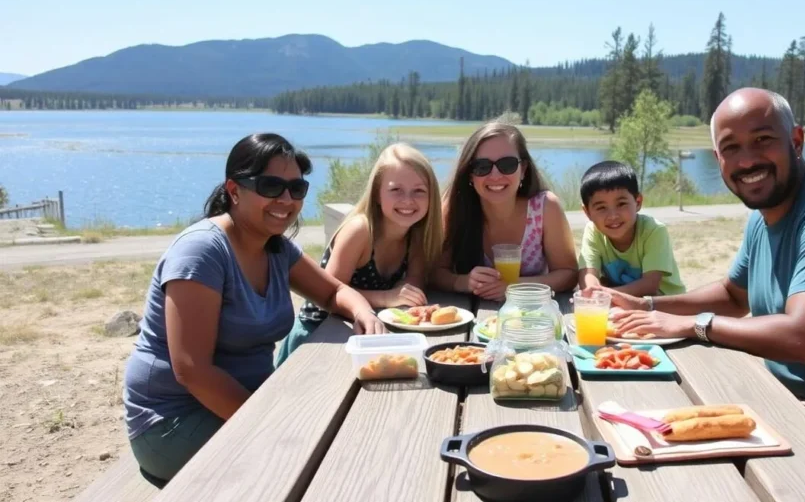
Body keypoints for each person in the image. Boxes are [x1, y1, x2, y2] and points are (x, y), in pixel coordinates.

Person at [602, 88, 805, 485]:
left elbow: (803, 337)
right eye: (731, 148)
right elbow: (733, 295)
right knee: (662, 433)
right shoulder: (765, 216)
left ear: (796, 140)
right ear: (718, 160)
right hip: (792, 400)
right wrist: (648, 306)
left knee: (729, 480)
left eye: (762, 140)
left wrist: (693, 325)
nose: (747, 160)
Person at [122, 133, 386, 487]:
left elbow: (334, 290)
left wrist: (364, 313)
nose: (286, 199)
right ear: (234, 189)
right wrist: (267, 423)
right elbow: (192, 371)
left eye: (297, 189)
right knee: (322, 460)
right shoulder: (202, 252)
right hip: (173, 420)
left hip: (248, 399)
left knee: (349, 421)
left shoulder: (275, 249)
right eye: (271, 186)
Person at [275, 142, 443, 366]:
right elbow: (329, 294)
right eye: (396, 190)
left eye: (419, 191)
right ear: (376, 194)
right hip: (319, 337)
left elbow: (413, 283)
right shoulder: (360, 231)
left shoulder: (417, 234)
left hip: (368, 336)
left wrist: (407, 294)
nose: (408, 200)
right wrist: (387, 297)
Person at [433, 121, 577, 300]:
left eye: (507, 164)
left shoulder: (545, 207)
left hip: (534, 316)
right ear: (470, 173)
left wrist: (514, 287)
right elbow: (435, 272)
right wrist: (464, 282)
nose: (495, 175)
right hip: (471, 319)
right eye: (482, 166)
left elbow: (569, 274)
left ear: (523, 169)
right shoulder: (454, 208)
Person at [576, 160, 685, 298]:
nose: (613, 216)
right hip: (622, 301)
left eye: (621, 204)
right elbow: (587, 276)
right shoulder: (593, 232)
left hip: (664, 303)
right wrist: (593, 291)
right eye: (601, 208)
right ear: (587, 212)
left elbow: (650, 286)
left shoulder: (654, 230)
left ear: (638, 202)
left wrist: (605, 295)